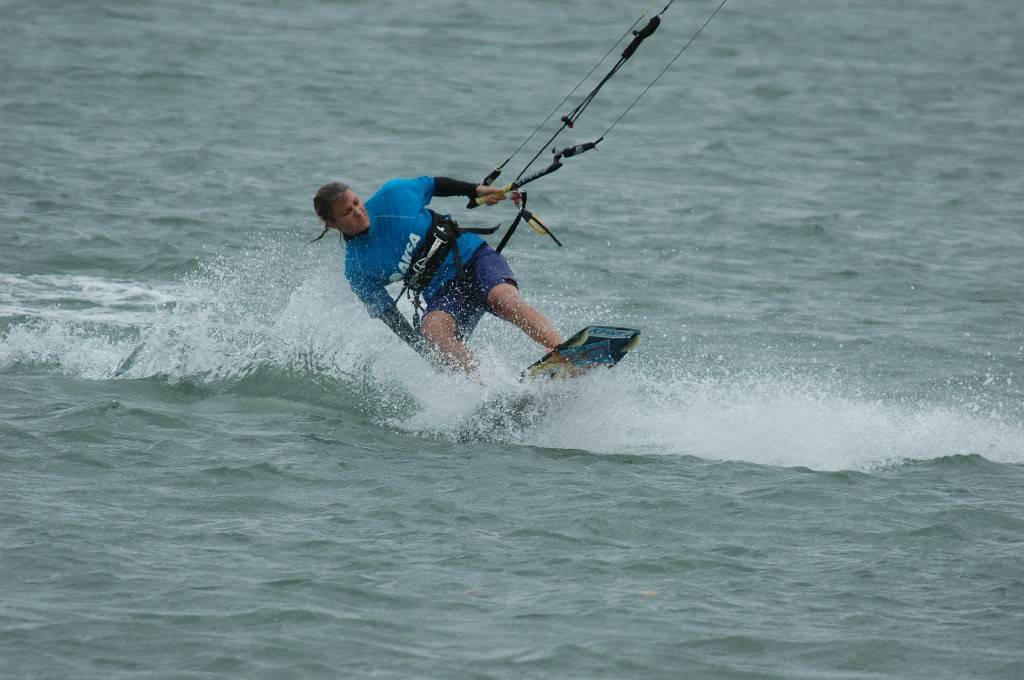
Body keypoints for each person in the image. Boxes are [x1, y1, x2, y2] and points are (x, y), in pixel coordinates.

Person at [312, 176, 564, 373]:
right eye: (346, 212)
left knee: (504, 299)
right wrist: (424, 350)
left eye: (356, 202)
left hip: (473, 257)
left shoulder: (394, 195)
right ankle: (489, 389)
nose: (357, 211)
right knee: (432, 330)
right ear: (331, 223)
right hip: (443, 291)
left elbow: (433, 184)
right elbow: (388, 315)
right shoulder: (357, 268)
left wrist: (475, 190)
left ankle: (563, 351)